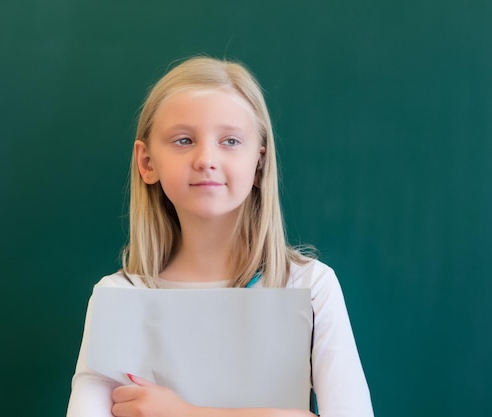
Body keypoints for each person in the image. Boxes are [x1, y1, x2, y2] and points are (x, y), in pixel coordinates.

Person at [67, 56, 374, 417]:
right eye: (183, 140)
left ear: (259, 163)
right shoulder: (117, 297)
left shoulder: (309, 285)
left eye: (229, 140)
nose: (206, 158)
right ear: (147, 163)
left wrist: (181, 413)